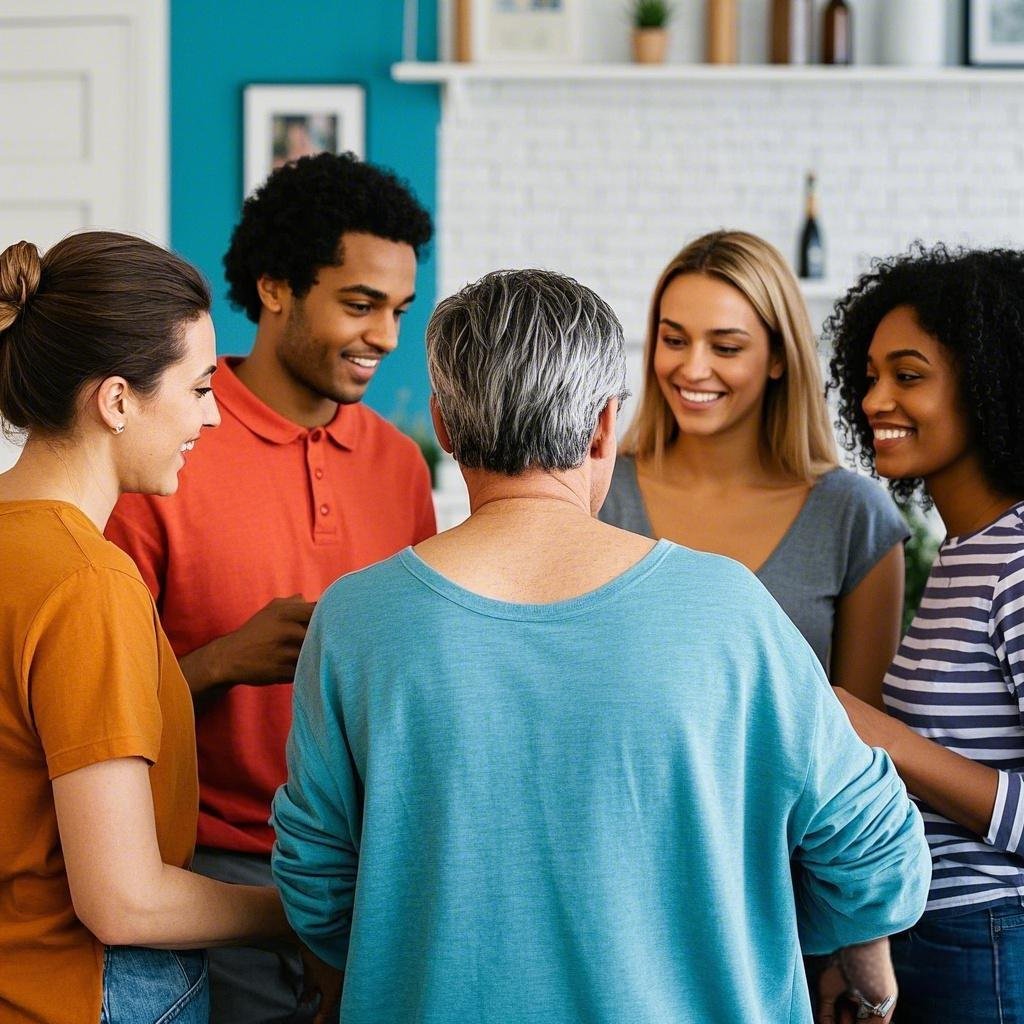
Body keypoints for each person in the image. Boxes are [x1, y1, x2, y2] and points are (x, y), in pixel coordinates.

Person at [271, 268, 930, 1024]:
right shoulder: (727, 609)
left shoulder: (357, 619)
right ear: (603, 426)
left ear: (445, 426)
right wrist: (864, 968)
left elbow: (318, 884)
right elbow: (874, 853)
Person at [105, 152, 437, 1024]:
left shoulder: (399, 465)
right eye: (360, 305)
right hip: (211, 875)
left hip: (372, 874)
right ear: (276, 286)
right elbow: (89, 711)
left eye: (400, 310)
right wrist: (222, 660)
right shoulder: (169, 446)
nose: (388, 338)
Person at [0, 231, 289, 1024]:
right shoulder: (88, 581)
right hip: (82, 992)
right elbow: (125, 902)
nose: (216, 415)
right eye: (199, 388)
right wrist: (303, 916)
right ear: (118, 399)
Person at [827, 244, 1024, 1023]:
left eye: (907, 376)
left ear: (991, 384)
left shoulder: (1016, 560)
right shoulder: (964, 552)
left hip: (991, 942)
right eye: (870, 376)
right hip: (933, 937)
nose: (876, 399)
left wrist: (884, 739)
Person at [600, 230, 907, 707]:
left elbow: (863, 744)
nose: (693, 369)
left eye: (725, 348)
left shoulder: (853, 517)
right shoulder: (595, 493)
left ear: (779, 357)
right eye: (674, 339)